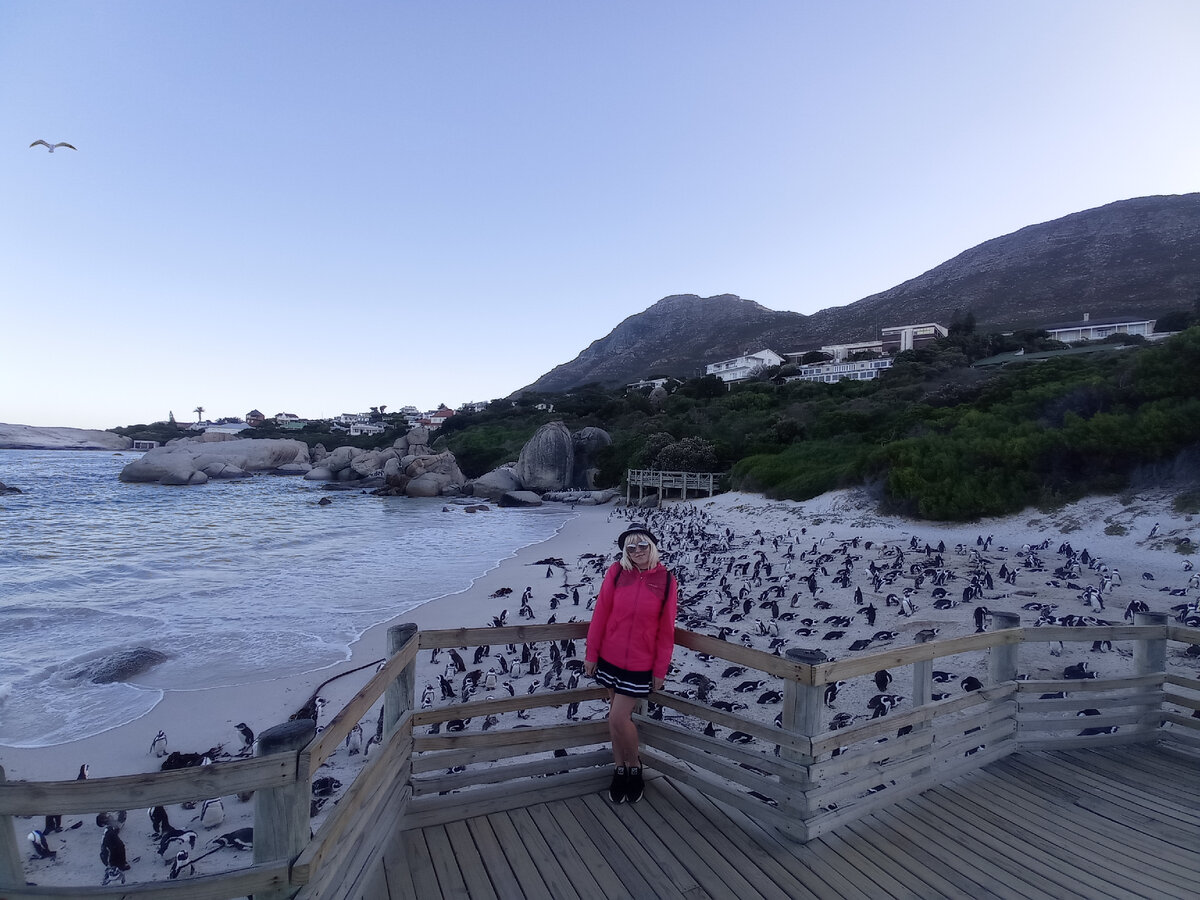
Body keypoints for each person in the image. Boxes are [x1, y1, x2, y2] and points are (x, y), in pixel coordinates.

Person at [584, 523, 678, 804]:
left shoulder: (667, 580)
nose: (637, 551)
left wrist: (660, 670)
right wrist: (591, 653)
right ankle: (620, 768)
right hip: (609, 658)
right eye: (631, 547)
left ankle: (635, 768)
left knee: (617, 717)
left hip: (640, 663)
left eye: (642, 546)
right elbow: (601, 612)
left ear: (653, 546)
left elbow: (666, 630)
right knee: (615, 718)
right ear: (625, 551)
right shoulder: (616, 573)